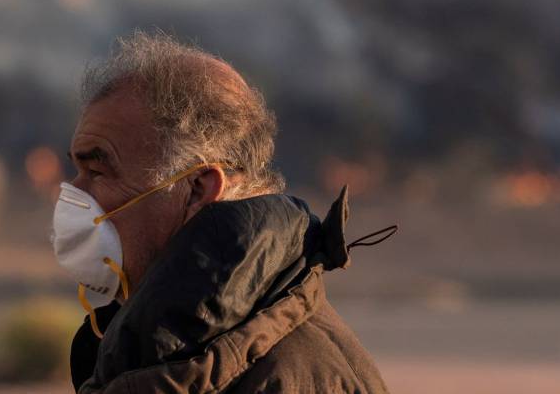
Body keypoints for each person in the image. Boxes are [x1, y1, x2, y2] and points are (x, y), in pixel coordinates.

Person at [52, 32, 392, 393]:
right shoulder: (144, 345)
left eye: (99, 171)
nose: (75, 194)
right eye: (77, 170)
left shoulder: (298, 378)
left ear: (196, 189)